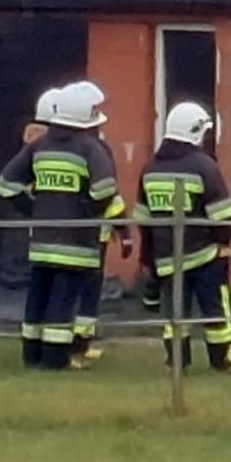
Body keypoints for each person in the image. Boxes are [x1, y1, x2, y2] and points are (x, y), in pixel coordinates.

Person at [0, 80, 123, 371]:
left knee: (37, 298)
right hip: (77, 244)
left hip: (42, 242)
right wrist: (89, 210)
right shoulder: (90, 148)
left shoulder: (39, 147)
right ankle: (55, 360)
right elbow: (105, 188)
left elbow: (5, 186)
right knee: (62, 301)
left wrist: (34, 209)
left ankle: (32, 355)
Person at [136, 101, 231, 375]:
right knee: (216, 312)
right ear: (196, 131)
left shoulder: (150, 169)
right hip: (205, 255)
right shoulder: (204, 166)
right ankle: (223, 361)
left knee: (175, 316)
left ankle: (177, 363)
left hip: (167, 259)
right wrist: (223, 244)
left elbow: (143, 220)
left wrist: (149, 258)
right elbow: (223, 213)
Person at [74, 114, 133, 365]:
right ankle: (78, 343)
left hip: (72, 232)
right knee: (86, 289)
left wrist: (122, 230)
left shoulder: (65, 149)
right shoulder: (97, 151)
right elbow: (109, 194)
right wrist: (124, 232)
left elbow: (111, 195)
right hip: (92, 234)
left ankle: (80, 342)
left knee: (75, 289)